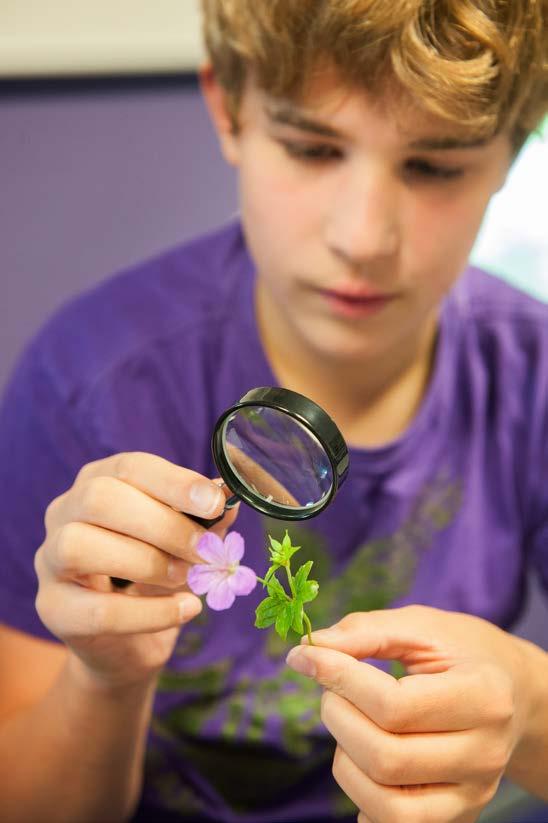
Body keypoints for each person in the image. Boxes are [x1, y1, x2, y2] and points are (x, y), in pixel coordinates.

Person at [1, 1, 547, 820]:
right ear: (228, 107)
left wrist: (531, 704)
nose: (364, 238)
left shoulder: (530, 377)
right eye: (312, 148)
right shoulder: (91, 380)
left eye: (434, 167)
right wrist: (103, 677)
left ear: (517, 145)